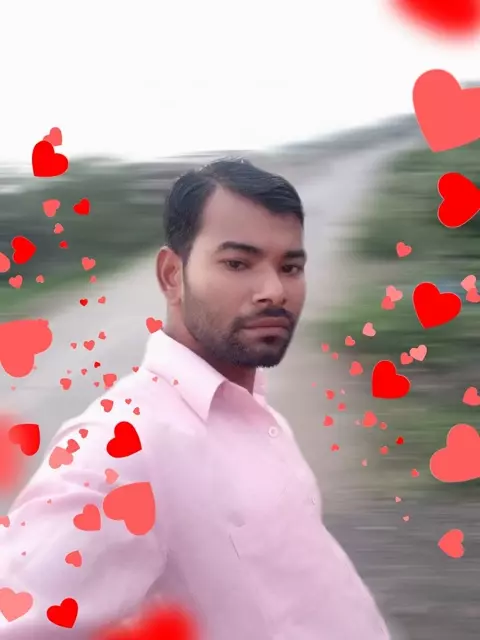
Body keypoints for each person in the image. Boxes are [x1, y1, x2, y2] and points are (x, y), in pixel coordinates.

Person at [0, 159, 391, 639]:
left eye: (290, 267)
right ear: (171, 275)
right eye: (237, 264)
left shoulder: (256, 413)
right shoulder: (121, 448)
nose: (274, 291)